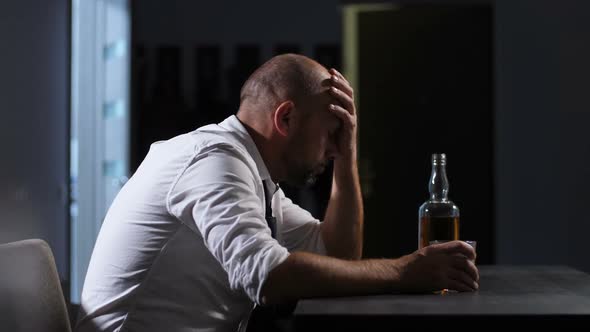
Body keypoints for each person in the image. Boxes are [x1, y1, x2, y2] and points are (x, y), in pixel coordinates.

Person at [75, 54, 479, 332]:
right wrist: (405, 272)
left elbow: (338, 255)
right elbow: (268, 278)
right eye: (330, 133)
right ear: (285, 118)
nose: (333, 146)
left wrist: (348, 154)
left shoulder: (254, 175)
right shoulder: (213, 160)